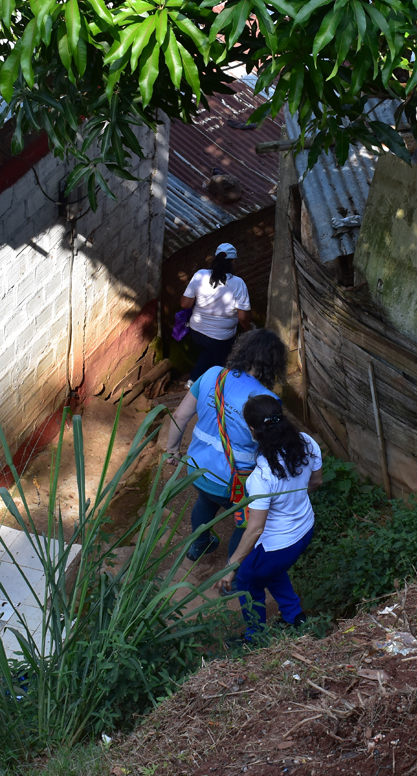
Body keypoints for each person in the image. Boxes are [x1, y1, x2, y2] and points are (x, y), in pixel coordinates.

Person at [160, 328, 288, 562]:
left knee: (205, 504)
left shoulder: (213, 375)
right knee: (244, 522)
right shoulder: (268, 400)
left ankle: (198, 546)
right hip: (237, 482)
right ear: (274, 364)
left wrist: (172, 450)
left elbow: (179, 417)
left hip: (197, 470)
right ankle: (232, 572)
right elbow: (272, 447)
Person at [216, 395, 322, 641]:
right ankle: (295, 616)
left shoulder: (262, 476)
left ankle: (256, 637)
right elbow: (316, 481)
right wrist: (292, 502)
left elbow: (254, 530)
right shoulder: (306, 443)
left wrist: (231, 569)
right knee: (270, 569)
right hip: (305, 530)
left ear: (253, 430)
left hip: (278, 545)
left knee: (247, 579)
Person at [181, 243, 253, 385]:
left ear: (215, 258)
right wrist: (251, 332)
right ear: (233, 262)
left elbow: (185, 304)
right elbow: (243, 317)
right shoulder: (238, 283)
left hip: (196, 332)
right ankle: (221, 388)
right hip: (221, 338)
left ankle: (192, 380)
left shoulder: (200, 275)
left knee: (209, 350)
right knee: (226, 363)